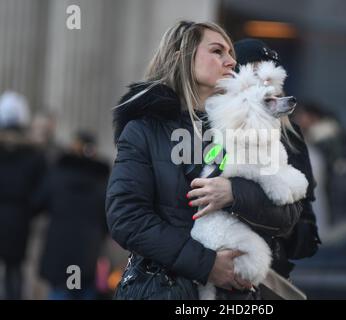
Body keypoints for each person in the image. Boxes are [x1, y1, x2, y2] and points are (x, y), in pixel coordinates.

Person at [106, 22, 309, 300]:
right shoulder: (144, 129)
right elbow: (127, 218)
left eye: (230, 54)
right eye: (217, 51)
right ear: (181, 56)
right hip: (165, 290)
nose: (230, 61)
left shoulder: (248, 125)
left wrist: (234, 193)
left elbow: (289, 214)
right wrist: (208, 265)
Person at [234, 39, 321, 280]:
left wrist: (283, 232)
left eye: (269, 78)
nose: (262, 85)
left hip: (267, 272)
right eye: (253, 74)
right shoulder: (211, 128)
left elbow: (305, 223)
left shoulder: (290, 136)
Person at [35, 131, 110, 299]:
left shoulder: (57, 174)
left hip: (59, 251)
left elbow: (38, 203)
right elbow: (109, 221)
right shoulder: (103, 181)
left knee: (60, 291)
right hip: (90, 253)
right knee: (86, 291)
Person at [0, 91, 46, 299]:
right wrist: (29, 210)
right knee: (14, 272)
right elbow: (41, 192)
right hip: (19, 221)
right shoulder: (34, 154)